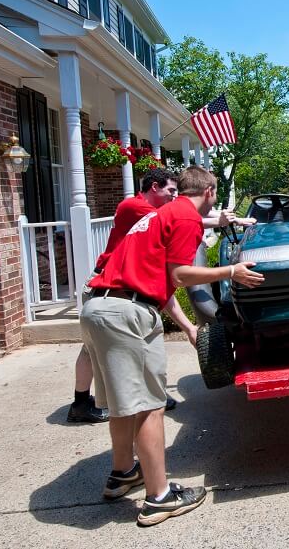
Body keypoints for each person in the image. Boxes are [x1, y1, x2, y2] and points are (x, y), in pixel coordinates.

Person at [80, 166, 265, 526]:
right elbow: (181, 274)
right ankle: (160, 498)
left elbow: (160, 278)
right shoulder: (185, 217)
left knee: (124, 405)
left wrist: (186, 326)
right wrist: (232, 271)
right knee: (150, 406)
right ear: (209, 191)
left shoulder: (159, 215)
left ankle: (122, 473)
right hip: (127, 313)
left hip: (99, 306)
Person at [67, 167, 254, 423]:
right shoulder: (138, 208)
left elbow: (161, 286)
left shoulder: (167, 214)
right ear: (154, 187)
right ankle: (83, 403)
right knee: (107, 369)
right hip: (115, 286)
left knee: (130, 382)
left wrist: (188, 327)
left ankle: (131, 408)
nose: (173, 197)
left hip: (130, 286)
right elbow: (180, 268)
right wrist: (231, 269)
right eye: (170, 191)